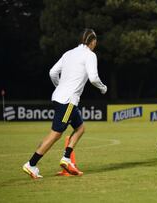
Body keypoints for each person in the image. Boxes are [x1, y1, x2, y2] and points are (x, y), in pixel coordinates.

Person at [22, 29, 107, 179]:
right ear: (93, 41)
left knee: (80, 128)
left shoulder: (68, 53)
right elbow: (93, 78)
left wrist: (60, 86)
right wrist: (103, 88)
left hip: (60, 97)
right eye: (95, 42)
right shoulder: (90, 55)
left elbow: (52, 72)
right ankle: (31, 164)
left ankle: (66, 159)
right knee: (56, 133)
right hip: (68, 101)